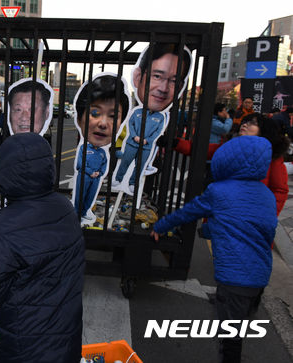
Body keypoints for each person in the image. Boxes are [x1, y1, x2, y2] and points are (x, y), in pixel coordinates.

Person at [152, 136, 278, 363]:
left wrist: (160, 226)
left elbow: (188, 213)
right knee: (238, 324)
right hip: (260, 275)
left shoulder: (218, 191)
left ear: (226, 160)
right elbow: (257, 228)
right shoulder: (267, 195)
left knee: (229, 339)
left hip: (233, 280)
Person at [0, 133, 85, 363]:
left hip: (25, 342)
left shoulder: (3, 226)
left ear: (3, 172)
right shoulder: (65, 208)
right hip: (67, 337)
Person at [165, 113, 290, 215]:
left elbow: (280, 190)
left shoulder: (272, 157)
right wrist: (175, 143)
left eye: (252, 123)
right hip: (223, 213)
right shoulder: (229, 148)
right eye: (245, 121)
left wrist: (267, 215)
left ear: (264, 131)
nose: (245, 124)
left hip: (251, 217)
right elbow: (200, 150)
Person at [112, 43, 190, 193]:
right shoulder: (135, 112)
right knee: (126, 163)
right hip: (131, 144)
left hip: (147, 146)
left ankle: (133, 184)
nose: (163, 88)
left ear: (180, 88)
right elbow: (131, 126)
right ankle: (119, 179)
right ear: (137, 77)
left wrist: (148, 140)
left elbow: (158, 132)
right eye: (157, 76)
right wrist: (135, 137)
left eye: (174, 81)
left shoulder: (161, 117)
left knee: (140, 166)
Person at [73, 74, 129, 218]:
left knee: (91, 196)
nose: (103, 123)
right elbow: (80, 163)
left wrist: (99, 173)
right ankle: (76, 213)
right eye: (95, 113)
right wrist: (90, 171)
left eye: (113, 116)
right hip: (85, 175)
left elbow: (104, 164)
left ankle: (84, 212)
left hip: (96, 177)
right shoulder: (84, 149)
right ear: (79, 119)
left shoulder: (104, 153)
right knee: (80, 194)